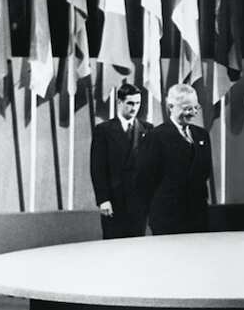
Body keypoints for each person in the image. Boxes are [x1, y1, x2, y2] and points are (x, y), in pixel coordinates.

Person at [136, 83, 213, 235]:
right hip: (167, 217)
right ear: (171, 106)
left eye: (195, 107)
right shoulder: (156, 136)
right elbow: (144, 179)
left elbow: (205, 172)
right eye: (187, 108)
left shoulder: (202, 135)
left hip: (198, 215)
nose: (193, 113)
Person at [89, 83, 152, 239]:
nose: (134, 108)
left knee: (137, 248)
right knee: (113, 249)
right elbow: (97, 168)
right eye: (130, 103)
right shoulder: (103, 130)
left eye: (138, 103)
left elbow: (152, 168)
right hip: (114, 202)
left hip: (139, 202)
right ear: (119, 102)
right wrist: (103, 200)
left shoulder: (148, 129)